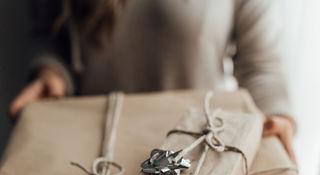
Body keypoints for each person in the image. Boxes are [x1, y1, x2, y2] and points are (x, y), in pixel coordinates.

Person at [9, 0, 296, 163]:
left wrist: (277, 116)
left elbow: (261, 65)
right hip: (91, 154)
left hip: (197, 154)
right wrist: (51, 72)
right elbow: (51, 32)